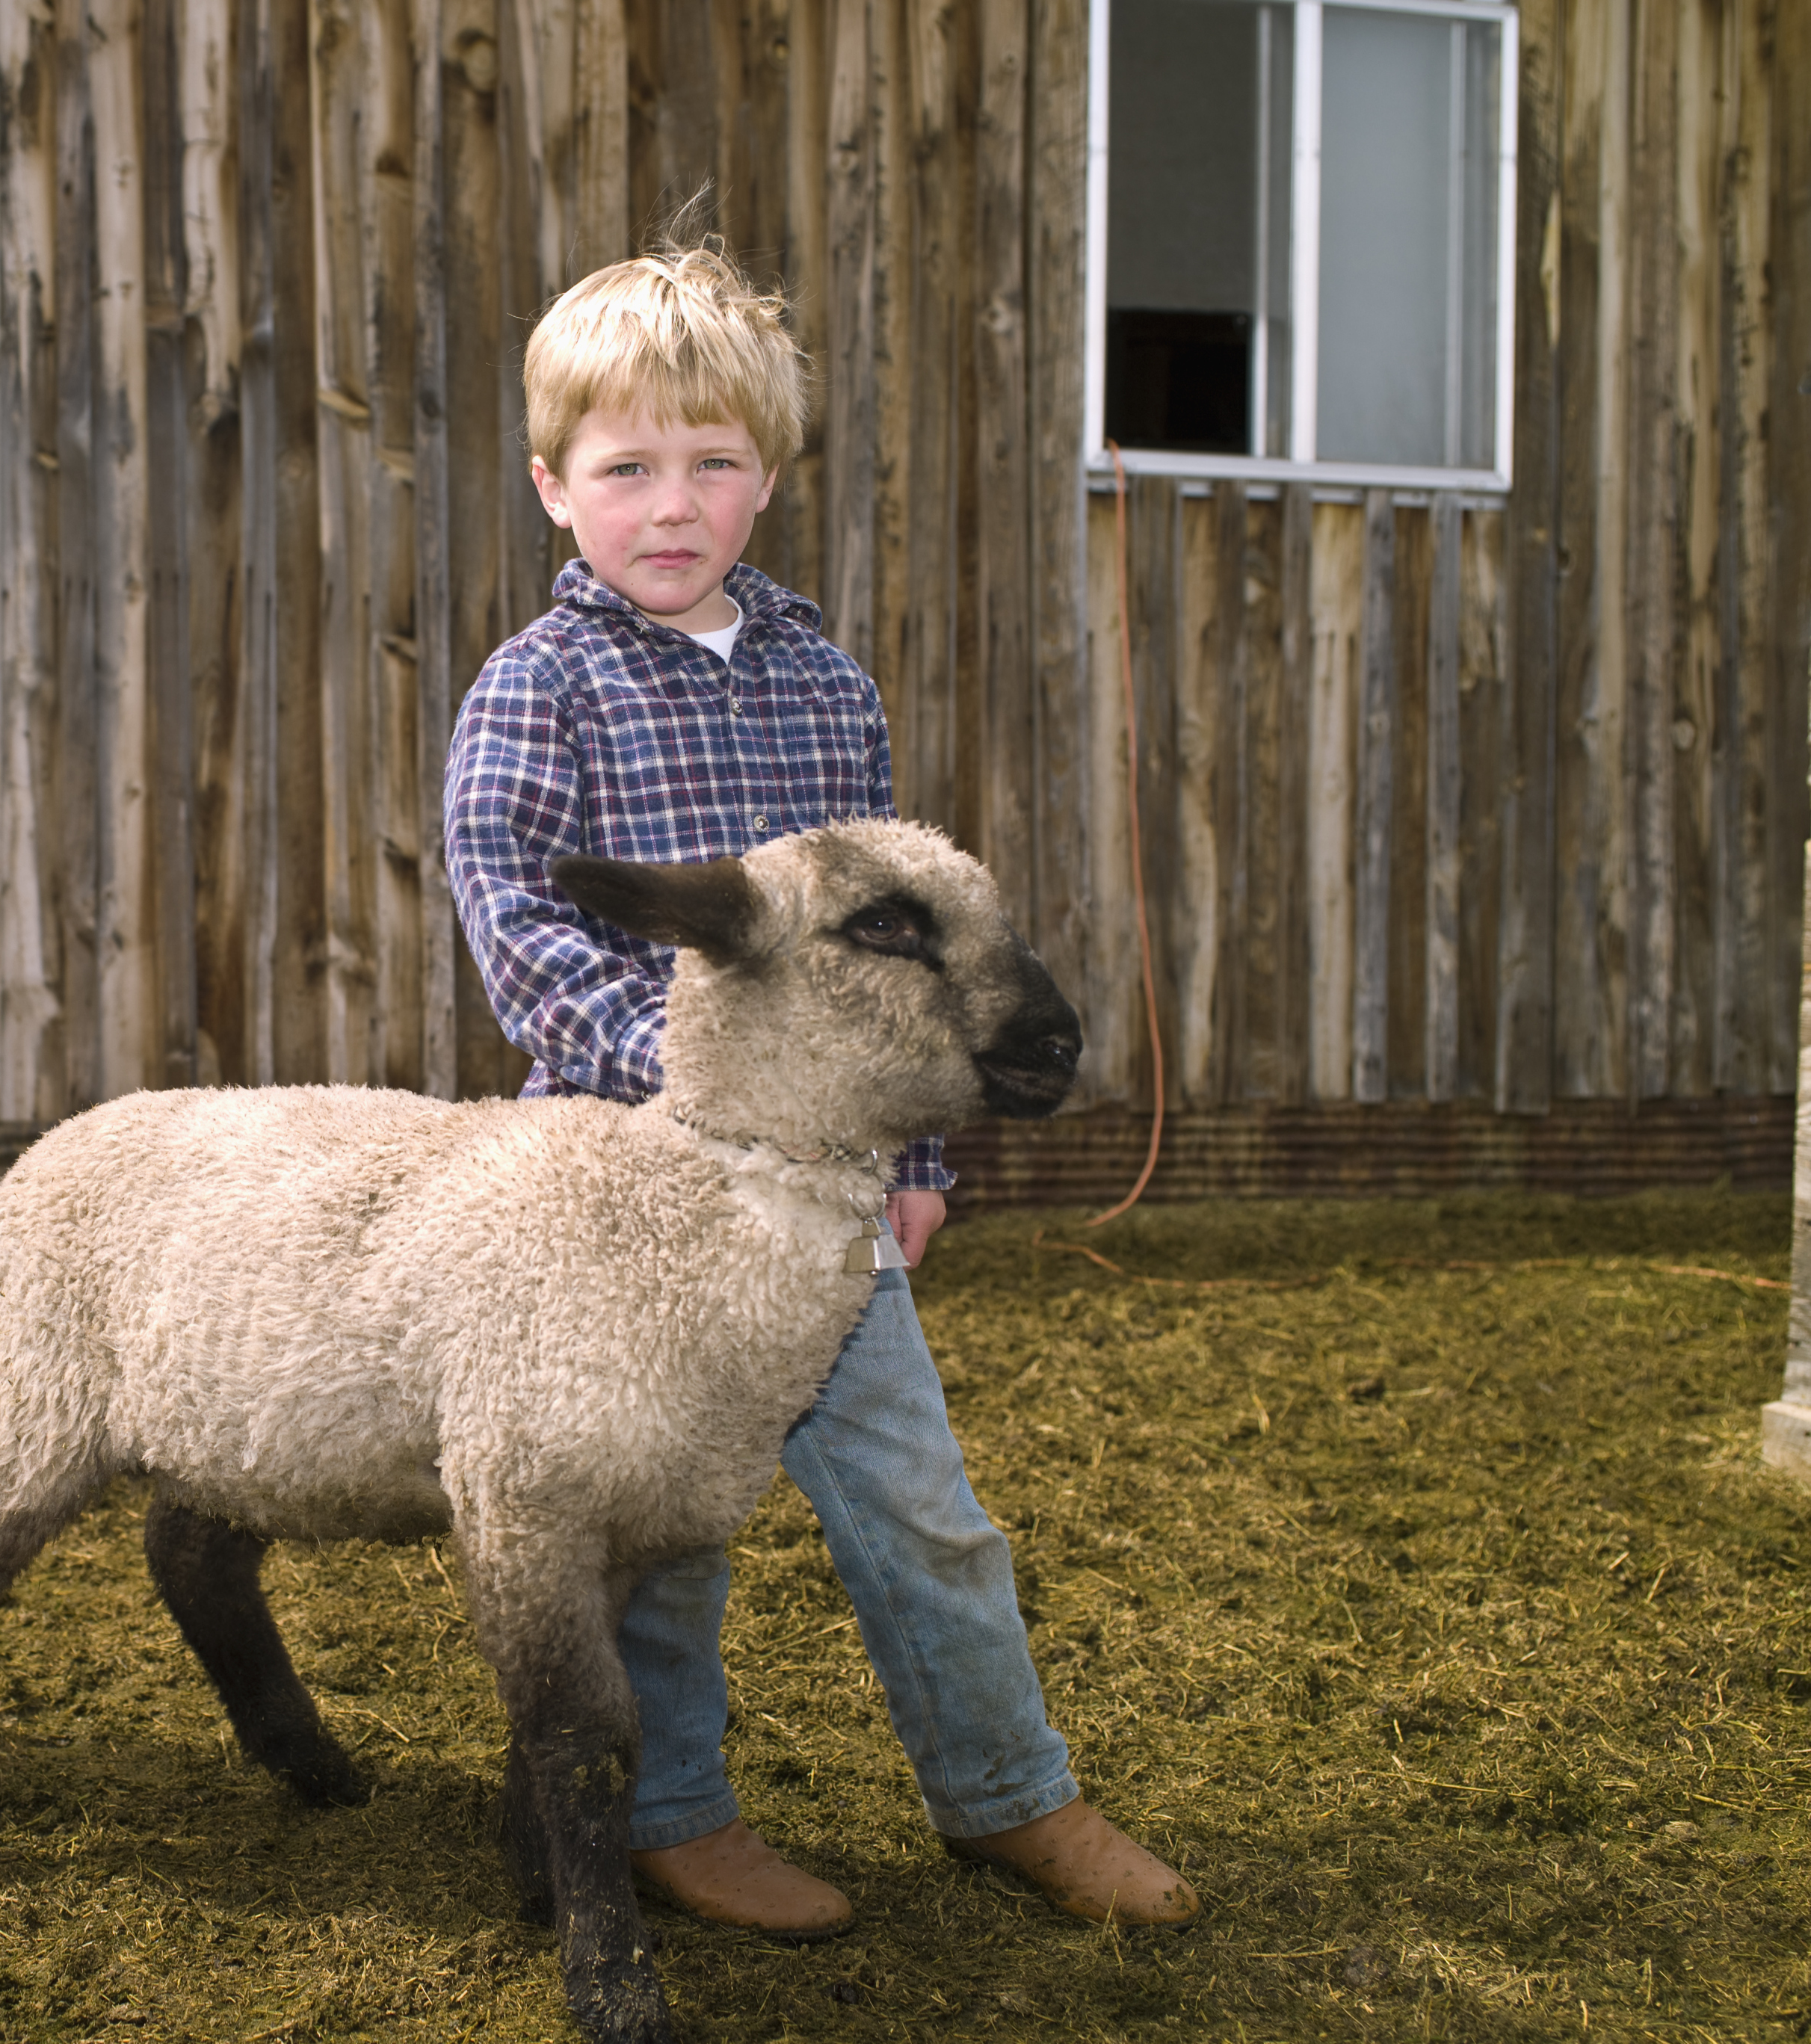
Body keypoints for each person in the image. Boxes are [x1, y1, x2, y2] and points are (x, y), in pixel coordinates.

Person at [444, 245, 1197, 1936]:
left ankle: (1013, 1796)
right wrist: (716, 1087)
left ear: (765, 480)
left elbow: (909, 951)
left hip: (827, 1202)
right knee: (660, 1531)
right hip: (618, 1191)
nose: (671, 503)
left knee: (920, 1504)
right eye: (626, 468)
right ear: (554, 485)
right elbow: (519, 935)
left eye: (711, 464)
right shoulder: (535, 691)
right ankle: (673, 1813)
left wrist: (913, 1142)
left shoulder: (823, 684)